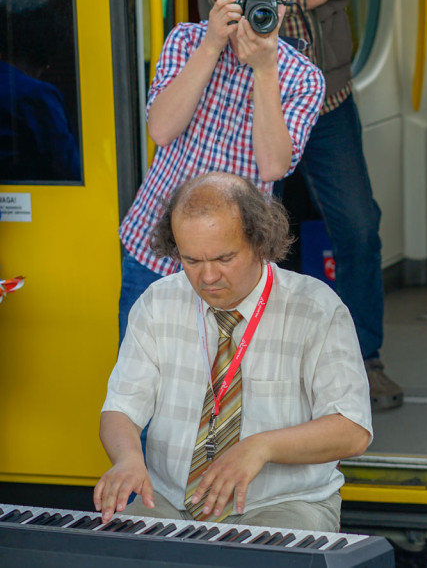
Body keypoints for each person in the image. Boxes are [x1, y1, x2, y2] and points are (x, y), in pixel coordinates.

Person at [186, 0, 403, 411]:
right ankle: (258, 368)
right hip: (249, 101)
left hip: (326, 93)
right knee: (245, 234)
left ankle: (362, 361)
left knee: (358, 226)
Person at [95, 172, 372, 532]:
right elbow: (120, 408)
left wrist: (261, 447)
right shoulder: (157, 302)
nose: (207, 277)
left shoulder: (316, 308)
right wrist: (128, 458)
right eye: (191, 260)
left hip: (284, 504)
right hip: (169, 502)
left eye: (224, 258)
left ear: (261, 242)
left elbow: (353, 430)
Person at [117, 0, 323, 347]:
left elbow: (273, 166)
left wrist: (265, 71)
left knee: (222, 391)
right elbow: (161, 129)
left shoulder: (303, 77)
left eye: (277, 0)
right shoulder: (186, 40)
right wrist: (211, 44)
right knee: (142, 388)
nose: (268, 11)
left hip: (235, 261)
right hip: (156, 249)